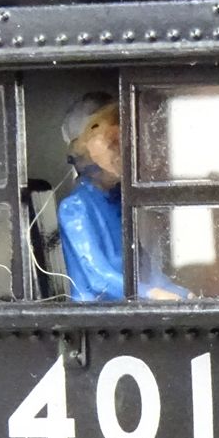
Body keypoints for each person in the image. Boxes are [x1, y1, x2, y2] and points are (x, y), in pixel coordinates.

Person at [56, 92, 182, 302]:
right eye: (112, 145)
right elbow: (97, 277)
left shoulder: (119, 202)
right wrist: (150, 293)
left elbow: (142, 267)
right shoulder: (75, 208)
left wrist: (181, 293)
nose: (122, 153)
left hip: (129, 304)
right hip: (97, 314)